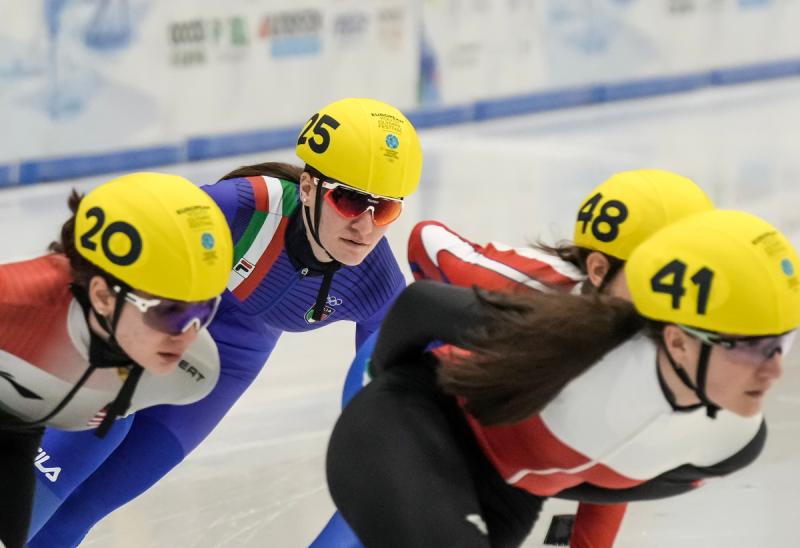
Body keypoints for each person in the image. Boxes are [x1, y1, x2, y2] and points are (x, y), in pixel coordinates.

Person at [26, 97, 423, 546]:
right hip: (143, 337)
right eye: (349, 201)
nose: (365, 228)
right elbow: (103, 254)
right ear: (309, 188)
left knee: (84, 507)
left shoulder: (375, 284)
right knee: (46, 484)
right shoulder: (242, 208)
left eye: (384, 209)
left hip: (219, 372)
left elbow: (384, 408)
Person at [326, 208, 800, 548]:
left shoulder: (734, 443)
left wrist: (537, 484)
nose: (775, 368)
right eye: (752, 348)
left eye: (784, 342)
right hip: (413, 423)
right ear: (678, 342)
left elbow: (609, 474)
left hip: (508, 490)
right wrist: (388, 397)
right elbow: (419, 305)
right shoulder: (582, 341)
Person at [0, 172, 232, 548]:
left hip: (20, 435)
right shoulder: (12, 304)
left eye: (204, 311)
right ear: (103, 297)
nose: (187, 334)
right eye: (168, 311)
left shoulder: (194, 370)